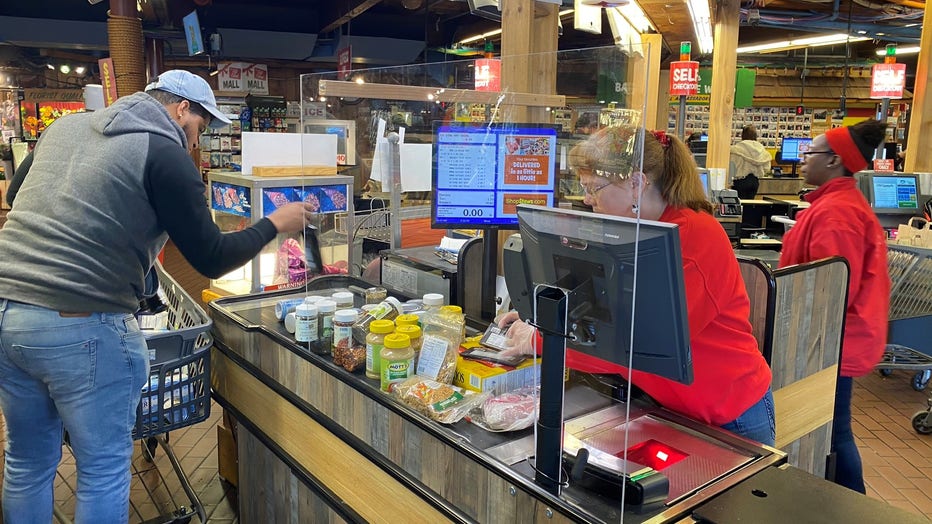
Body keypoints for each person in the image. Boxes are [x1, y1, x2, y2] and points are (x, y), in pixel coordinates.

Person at [0, 69, 315, 523]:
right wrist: (276, 224)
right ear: (181, 109)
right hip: (82, 320)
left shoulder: (64, 128)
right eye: (200, 130)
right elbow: (210, 256)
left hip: (9, 314)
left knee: (27, 461)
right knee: (103, 467)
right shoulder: (164, 154)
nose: (195, 144)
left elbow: (16, 192)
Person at [500, 126, 775, 445]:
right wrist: (541, 322)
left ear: (636, 183)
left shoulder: (694, 239)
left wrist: (539, 340)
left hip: (731, 415)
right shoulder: (633, 231)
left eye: (594, 187)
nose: (587, 200)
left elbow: (635, 345)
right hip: (675, 409)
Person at [778, 118, 890, 493]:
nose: (803, 159)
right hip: (834, 338)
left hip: (830, 342)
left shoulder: (836, 213)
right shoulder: (833, 205)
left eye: (811, 152)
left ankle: (853, 505)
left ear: (833, 160)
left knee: (834, 430)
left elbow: (829, 290)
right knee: (832, 427)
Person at [729, 124, 771, 199]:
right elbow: (767, 168)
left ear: (743, 135)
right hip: (754, 181)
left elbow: (732, 167)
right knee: (750, 204)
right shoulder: (761, 150)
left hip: (740, 181)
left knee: (739, 204)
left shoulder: (736, 149)